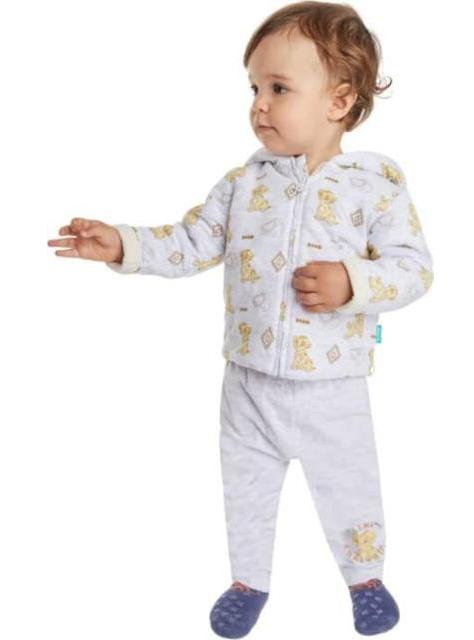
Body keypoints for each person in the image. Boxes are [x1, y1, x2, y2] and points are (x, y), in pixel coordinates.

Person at [47, 2, 434, 636]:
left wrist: (353, 281)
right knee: (246, 489)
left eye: (278, 88)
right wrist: (123, 244)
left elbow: (414, 269)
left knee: (350, 485)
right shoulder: (243, 183)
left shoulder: (375, 183)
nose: (259, 105)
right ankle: (248, 580)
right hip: (248, 380)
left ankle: (365, 577)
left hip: (332, 386)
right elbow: (190, 243)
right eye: (254, 88)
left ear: (339, 101)